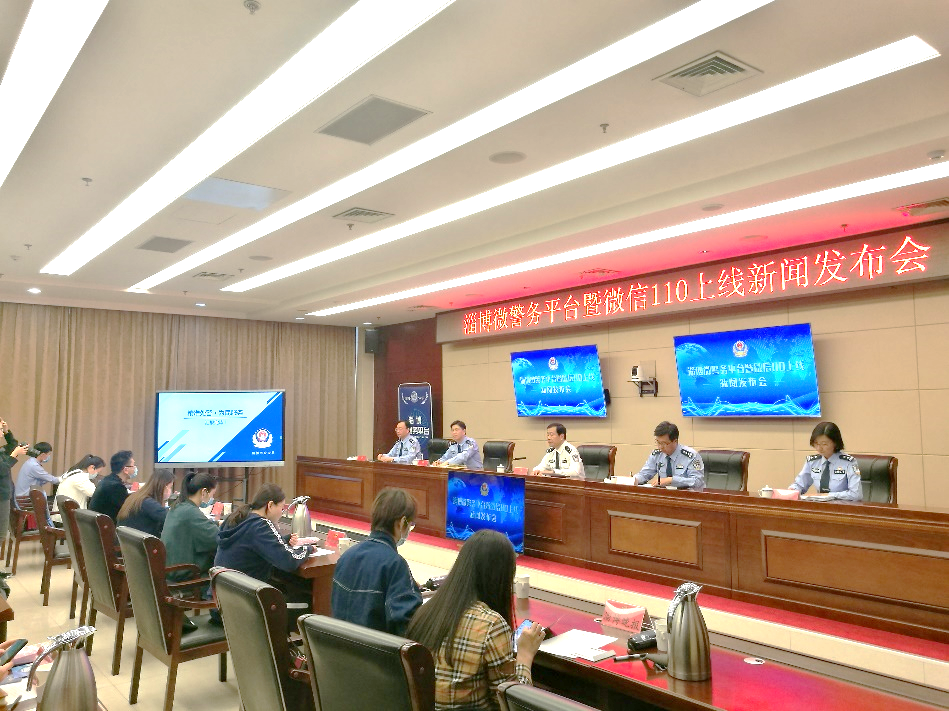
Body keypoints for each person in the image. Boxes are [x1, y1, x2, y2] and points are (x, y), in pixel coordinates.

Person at [406, 530, 544, 711]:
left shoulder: (427, 611)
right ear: (501, 578)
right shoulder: (491, 625)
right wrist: (525, 655)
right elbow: (513, 705)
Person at [332, 488, 422, 635]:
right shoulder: (395, 564)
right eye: (410, 525)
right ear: (402, 523)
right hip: (373, 648)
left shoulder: (346, 556)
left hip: (341, 646)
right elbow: (406, 624)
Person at [214, 483, 313, 586]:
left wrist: (282, 540)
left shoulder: (237, 517)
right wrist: (307, 548)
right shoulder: (261, 525)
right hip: (245, 593)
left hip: (222, 591)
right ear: (270, 505)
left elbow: (250, 542)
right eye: (282, 508)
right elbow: (289, 561)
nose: (282, 512)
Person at [162, 471, 219, 582]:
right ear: (204, 492)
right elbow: (218, 539)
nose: (212, 498)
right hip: (188, 578)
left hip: (171, 572)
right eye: (212, 494)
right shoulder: (190, 512)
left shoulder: (178, 507)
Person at [788, 421, 862, 501]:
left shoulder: (849, 462)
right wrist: (793, 490)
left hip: (842, 506)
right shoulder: (812, 462)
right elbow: (800, 484)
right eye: (816, 443)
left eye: (824, 444)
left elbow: (856, 494)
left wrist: (828, 495)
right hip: (819, 506)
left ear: (835, 443)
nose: (819, 448)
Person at [633, 421, 705, 491]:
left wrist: (671, 480)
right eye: (658, 442)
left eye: (664, 443)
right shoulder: (657, 455)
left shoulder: (691, 456)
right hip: (664, 496)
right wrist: (634, 479)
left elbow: (697, 482)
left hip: (687, 496)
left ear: (675, 441)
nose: (660, 447)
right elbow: (644, 474)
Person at [117, 468, 175, 536]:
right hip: (142, 540)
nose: (170, 490)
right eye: (170, 487)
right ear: (164, 486)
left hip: (128, 540)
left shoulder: (137, 497)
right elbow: (171, 521)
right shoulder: (148, 503)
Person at [51, 454, 105, 523]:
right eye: (97, 472)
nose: (96, 474)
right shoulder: (80, 477)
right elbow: (94, 493)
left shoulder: (72, 473)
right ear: (92, 467)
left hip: (61, 516)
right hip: (68, 520)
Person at [0, 418, 28, 548]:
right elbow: (2, 470)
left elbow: (13, 445)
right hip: (1, 496)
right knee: (1, 535)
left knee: (1, 534)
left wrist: (7, 432)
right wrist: (14, 455)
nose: (2, 432)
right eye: (0, 430)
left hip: (4, 496)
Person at [89, 450, 136, 522]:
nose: (135, 468)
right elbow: (130, 510)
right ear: (126, 470)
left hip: (98, 524)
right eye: (133, 466)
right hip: (107, 526)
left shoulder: (108, 480)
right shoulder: (115, 487)